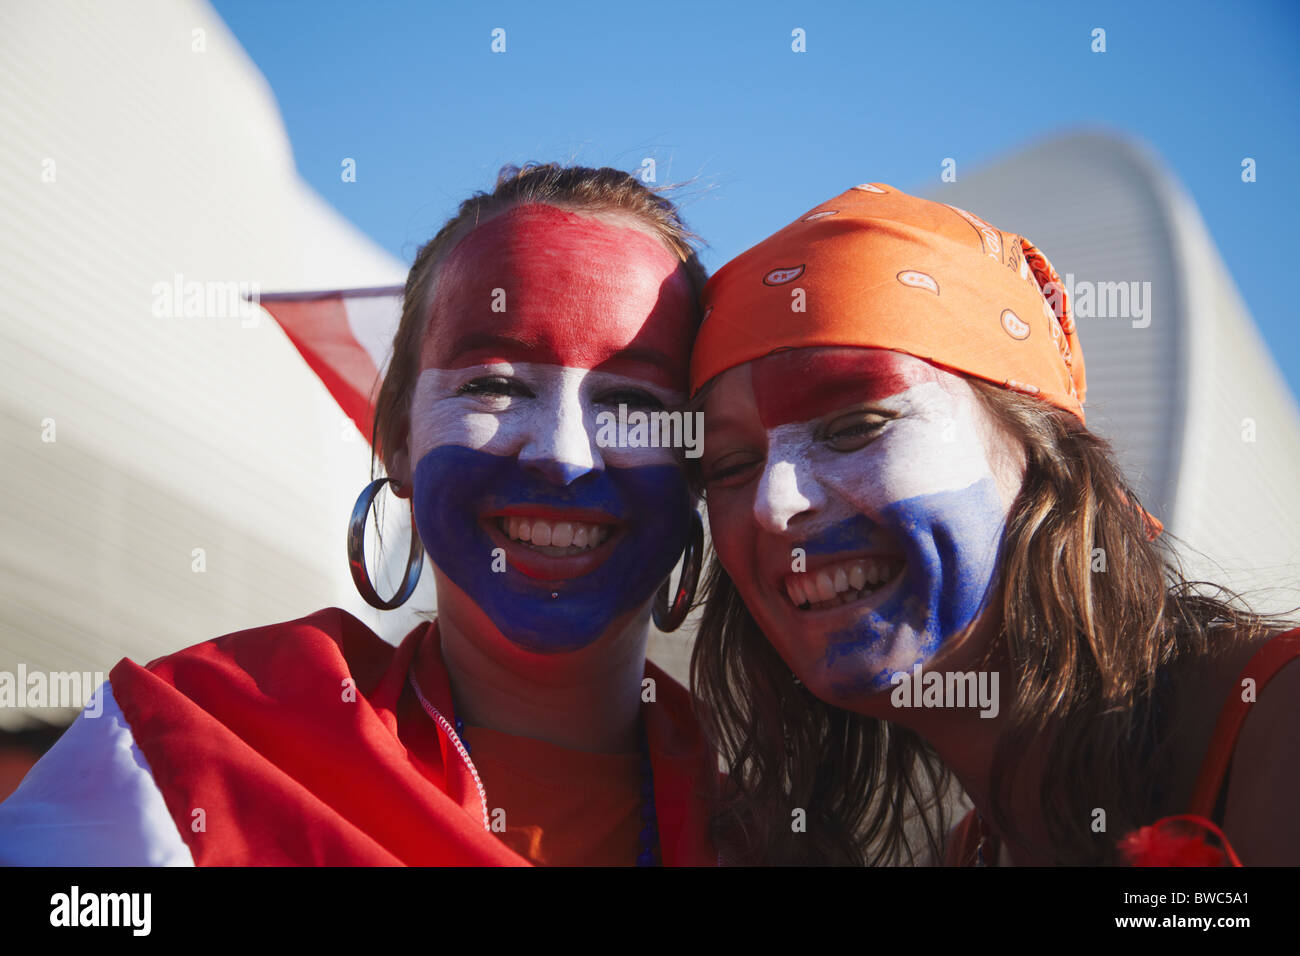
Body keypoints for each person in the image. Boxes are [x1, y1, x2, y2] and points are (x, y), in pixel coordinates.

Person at [0, 163, 716, 866]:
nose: (563, 456)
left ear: (700, 464)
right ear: (398, 441)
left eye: (634, 405)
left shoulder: (779, 832)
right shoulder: (179, 748)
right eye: (495, 384)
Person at [687, 182, 1300, 866]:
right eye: (730, 465)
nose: (775, 503)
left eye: (857, 426)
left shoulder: (1280, 727)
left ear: (1041, 451)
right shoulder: (975, 853)